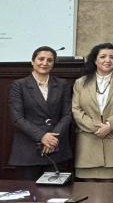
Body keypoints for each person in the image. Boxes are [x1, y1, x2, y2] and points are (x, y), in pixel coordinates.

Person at [8, 46, 73, 180]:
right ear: (33, 61)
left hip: (56, 149)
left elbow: (67, 115)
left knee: (55, 192)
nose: (45, 63)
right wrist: (42, 136)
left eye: (49, 60)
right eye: (41, 59)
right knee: (29, 192)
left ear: (53, 63)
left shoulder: (62, 84)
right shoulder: (18, 85)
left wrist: (52, 140)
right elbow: (17, 118)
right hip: (28, 151)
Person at [72, 43, 113, 180]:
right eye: (103, 56)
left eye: (112, 57)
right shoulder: (81, 82)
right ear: (95, 60)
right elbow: (76, 109)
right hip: (87, 143)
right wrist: (96, 127)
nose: (107, 60)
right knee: (88, 190)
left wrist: (110, 126)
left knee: (110, 190)